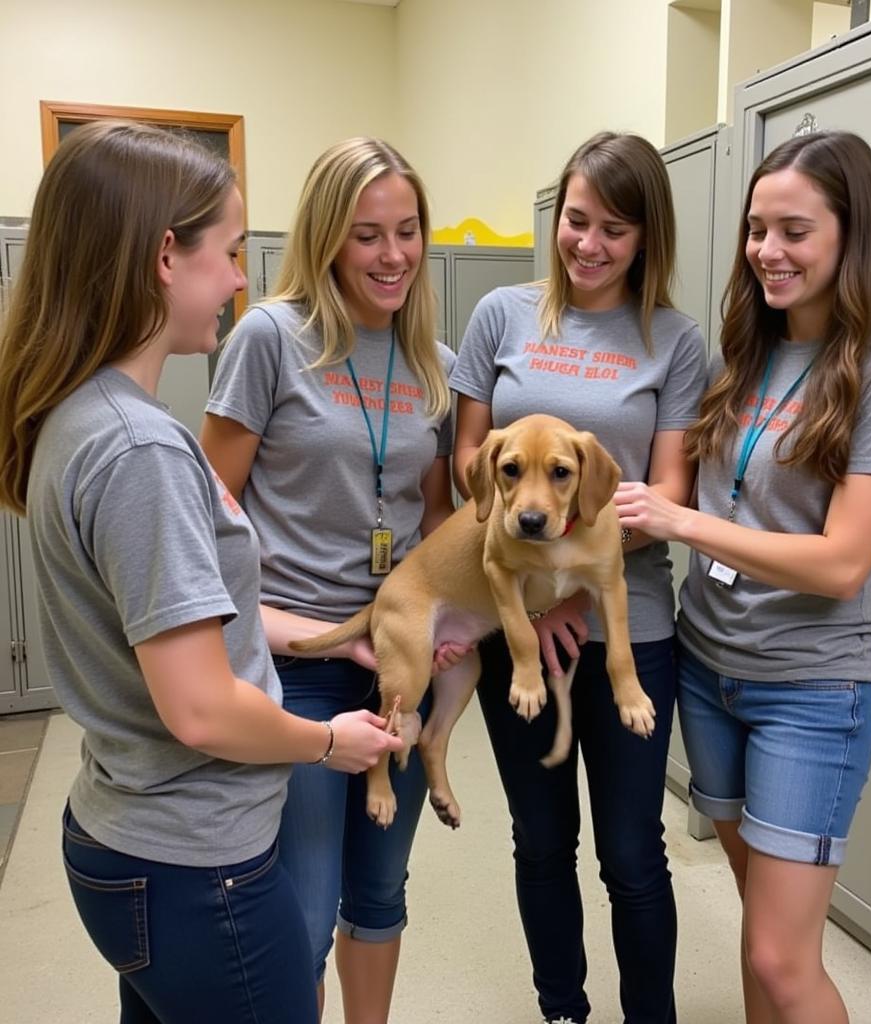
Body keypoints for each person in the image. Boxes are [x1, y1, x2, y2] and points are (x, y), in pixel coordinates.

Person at [0, 121, 403, 1024]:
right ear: (163, 259)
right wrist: (330, 742)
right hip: (195, 866)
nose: (238, 280)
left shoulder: (81, 414)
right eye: (225, 252)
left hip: (126, 838)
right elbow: (200, 707)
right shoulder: (141, 449)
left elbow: (179, 625)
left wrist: (329, 636)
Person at [614, 130, 871, 1024]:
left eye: (795, 231)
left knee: (779, 954)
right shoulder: (746, 350)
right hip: (711, 671)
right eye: (758, 230)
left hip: (810, 689)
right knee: (763, 932)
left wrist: (683, 520)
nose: (768, 251)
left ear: (850, 234)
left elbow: (842, 562)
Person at [200, 137, 460, 1023]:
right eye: (366, 236)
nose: (393, 256)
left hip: (396, 662)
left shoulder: (435, 360)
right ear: (325, 238)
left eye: (407, 231)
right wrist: (288, 633)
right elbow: (206, 518)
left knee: (380, 892)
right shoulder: (272, 338)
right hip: (299, 664)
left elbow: (432, 528)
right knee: (304, 913)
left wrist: (451, 623)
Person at [450, 131, 708, 1024]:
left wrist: (568, 563)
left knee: (634, 852)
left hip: (628, 619)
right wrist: (536, 585)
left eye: (617, 230)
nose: (590, 245)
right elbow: (469, 466)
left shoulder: (675, 341)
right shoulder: (501, 315)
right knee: (541, 840)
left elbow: (671, 489)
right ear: (557, 217)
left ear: (647, 239)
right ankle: (562, 1008)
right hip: (518, 625)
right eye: (577, 220)